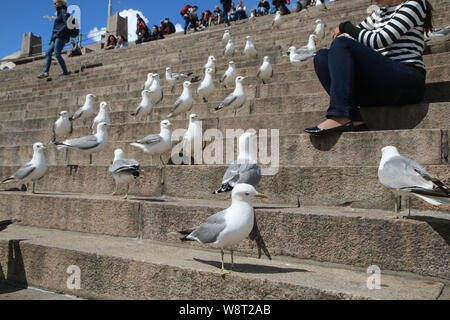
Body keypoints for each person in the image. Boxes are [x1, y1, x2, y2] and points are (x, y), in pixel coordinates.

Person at [305, 0, 433, 136]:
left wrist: (345, 27)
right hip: (382, 85)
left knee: (342, 44)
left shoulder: (415, 4)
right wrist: (347, 36)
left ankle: (340, 113)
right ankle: (354, 118)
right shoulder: (379, 13)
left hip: (407, 81)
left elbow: (380, 39)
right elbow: (352, 38)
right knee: (322, 57)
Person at [38, 0, 71, 79]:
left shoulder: (63, 11)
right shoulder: (59, 12)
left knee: (57, 53)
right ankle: (46, 72)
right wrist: (53, 37)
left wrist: (58, 33)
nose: (54, 5)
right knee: (48, 52)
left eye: (55, 3)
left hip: (61, 36)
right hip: (56, 37)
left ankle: (65, 72)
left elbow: (67, 24)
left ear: (60, 3)